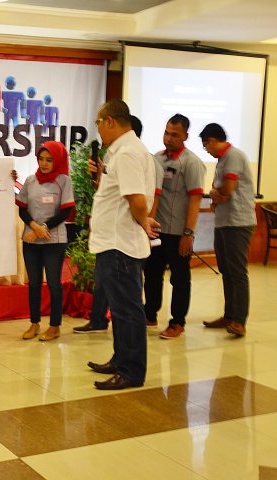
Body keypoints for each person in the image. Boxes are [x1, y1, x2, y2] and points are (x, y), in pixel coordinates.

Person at [86, 99, 158, 390]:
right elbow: (116, 195)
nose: (98, 129)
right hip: (113, 243)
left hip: (120, 245)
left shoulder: (127, 152)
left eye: (98, 123)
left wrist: (143, 222)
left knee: (127, 310)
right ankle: (121, 360)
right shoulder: (123, 151)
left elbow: (137, 200)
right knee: (119, 309)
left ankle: (131, 372)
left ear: (110, 121)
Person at [144, 114, 206, 339]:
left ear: (185, 136)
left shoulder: (192, 163)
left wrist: (188, 233)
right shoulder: (157, 159)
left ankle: (177, 322)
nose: (168, 138)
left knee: (179, 278)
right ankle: (150, 314)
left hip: (179, 232)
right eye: (166, 133)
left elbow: (195, 200)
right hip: (157, 230)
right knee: (152, 273)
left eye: (174, 135)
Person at [199, 123, 256, 337]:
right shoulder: (222, 159)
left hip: (238, 223)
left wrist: (216, 194)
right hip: (224, 222)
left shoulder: (234, 156)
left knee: (237, 272)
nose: (207, 150)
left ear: (213, 141)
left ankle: (239, 321)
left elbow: (227, 190)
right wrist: (217, 195)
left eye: (206, 146)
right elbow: (219, 193)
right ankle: (229, 315)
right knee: (226, 270)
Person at [16, 141, 74, 341]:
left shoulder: (64, 181)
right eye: (41, 159)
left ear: (57, 161)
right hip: (30, 240)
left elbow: (65, 212)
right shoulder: (30, 181)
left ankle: (55, 326)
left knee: (53, 284)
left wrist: (44, 228)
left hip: (54, 241)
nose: (44, 163)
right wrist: (35, 227)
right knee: (33, 284)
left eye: (49, 160)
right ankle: (34, 324)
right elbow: (22, 208)